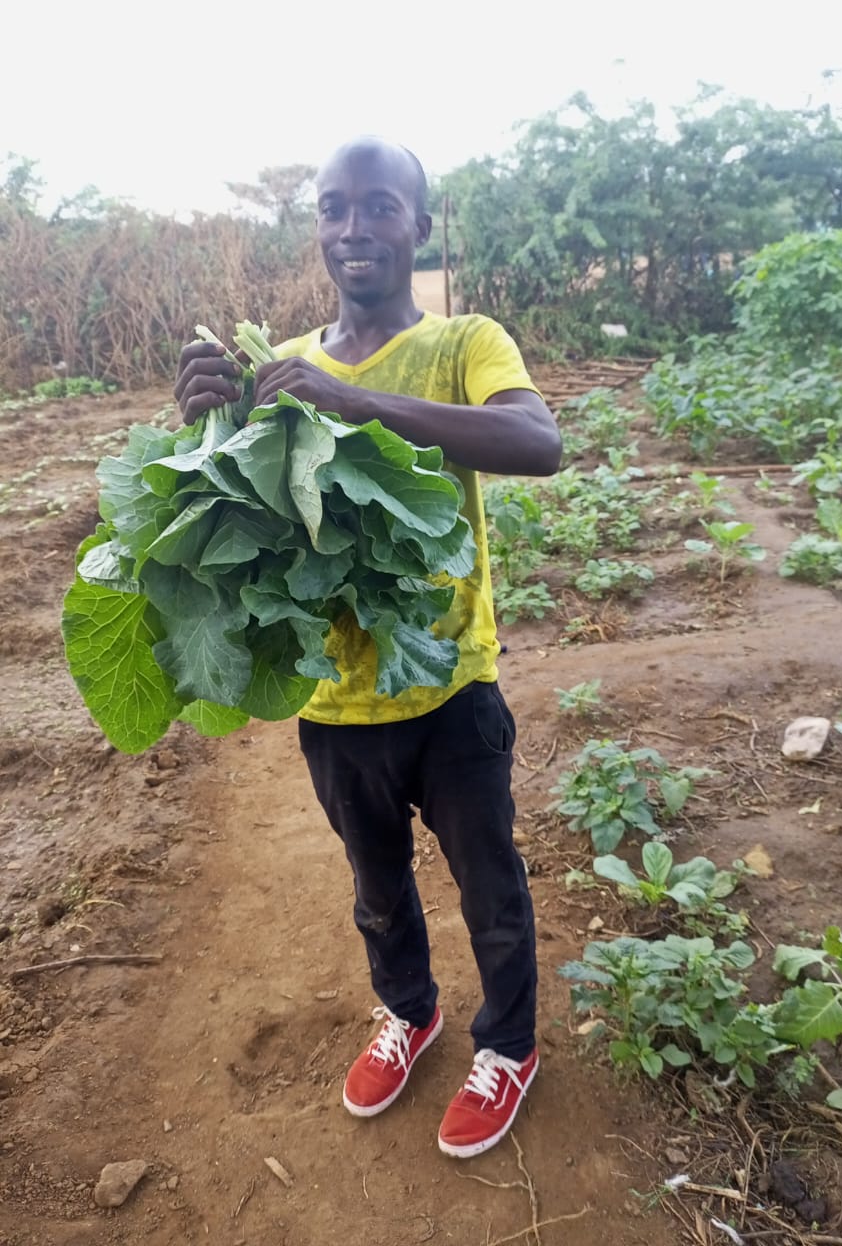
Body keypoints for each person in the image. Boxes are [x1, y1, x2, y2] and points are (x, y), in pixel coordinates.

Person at [174, 137, 562, 1159]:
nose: (355, 228)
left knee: (489, 878)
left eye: (380, 206)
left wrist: (355, 402)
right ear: (318, 228)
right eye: (335, 208)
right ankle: (409, 1010)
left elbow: (538, 442)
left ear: (418, 226)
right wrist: (214, 426)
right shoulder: (284, 364)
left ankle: (509, 1042)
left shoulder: (463, 342)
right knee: (375, 884)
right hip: (335, 698)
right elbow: (257, 535)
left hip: (450, 682)